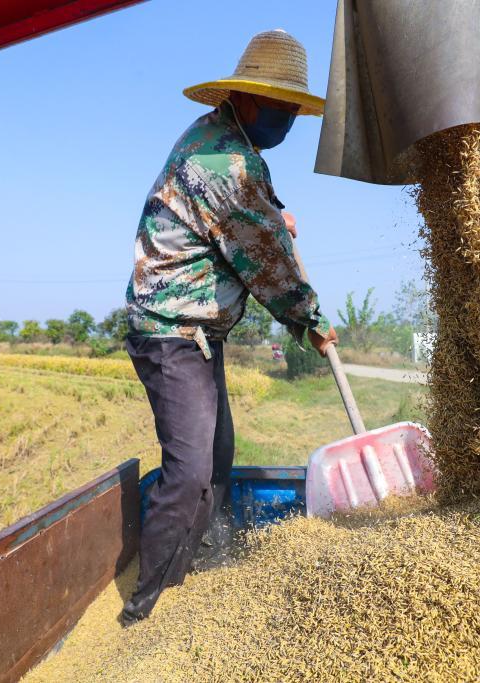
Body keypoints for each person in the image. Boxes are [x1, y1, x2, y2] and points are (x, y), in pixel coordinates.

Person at [122, 29, 337, 622]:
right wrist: (310, 321)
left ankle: (201, 569)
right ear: (243, 99)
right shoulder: (224, 161)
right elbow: (263, 258)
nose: (286, 119)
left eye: (293, 109)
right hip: (172, 331)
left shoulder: (234, 147)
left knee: (218, 460)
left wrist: (273, 216)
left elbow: (252, 217)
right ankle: (149, 608)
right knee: (190, 473)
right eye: (278, 106)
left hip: (201, 334)